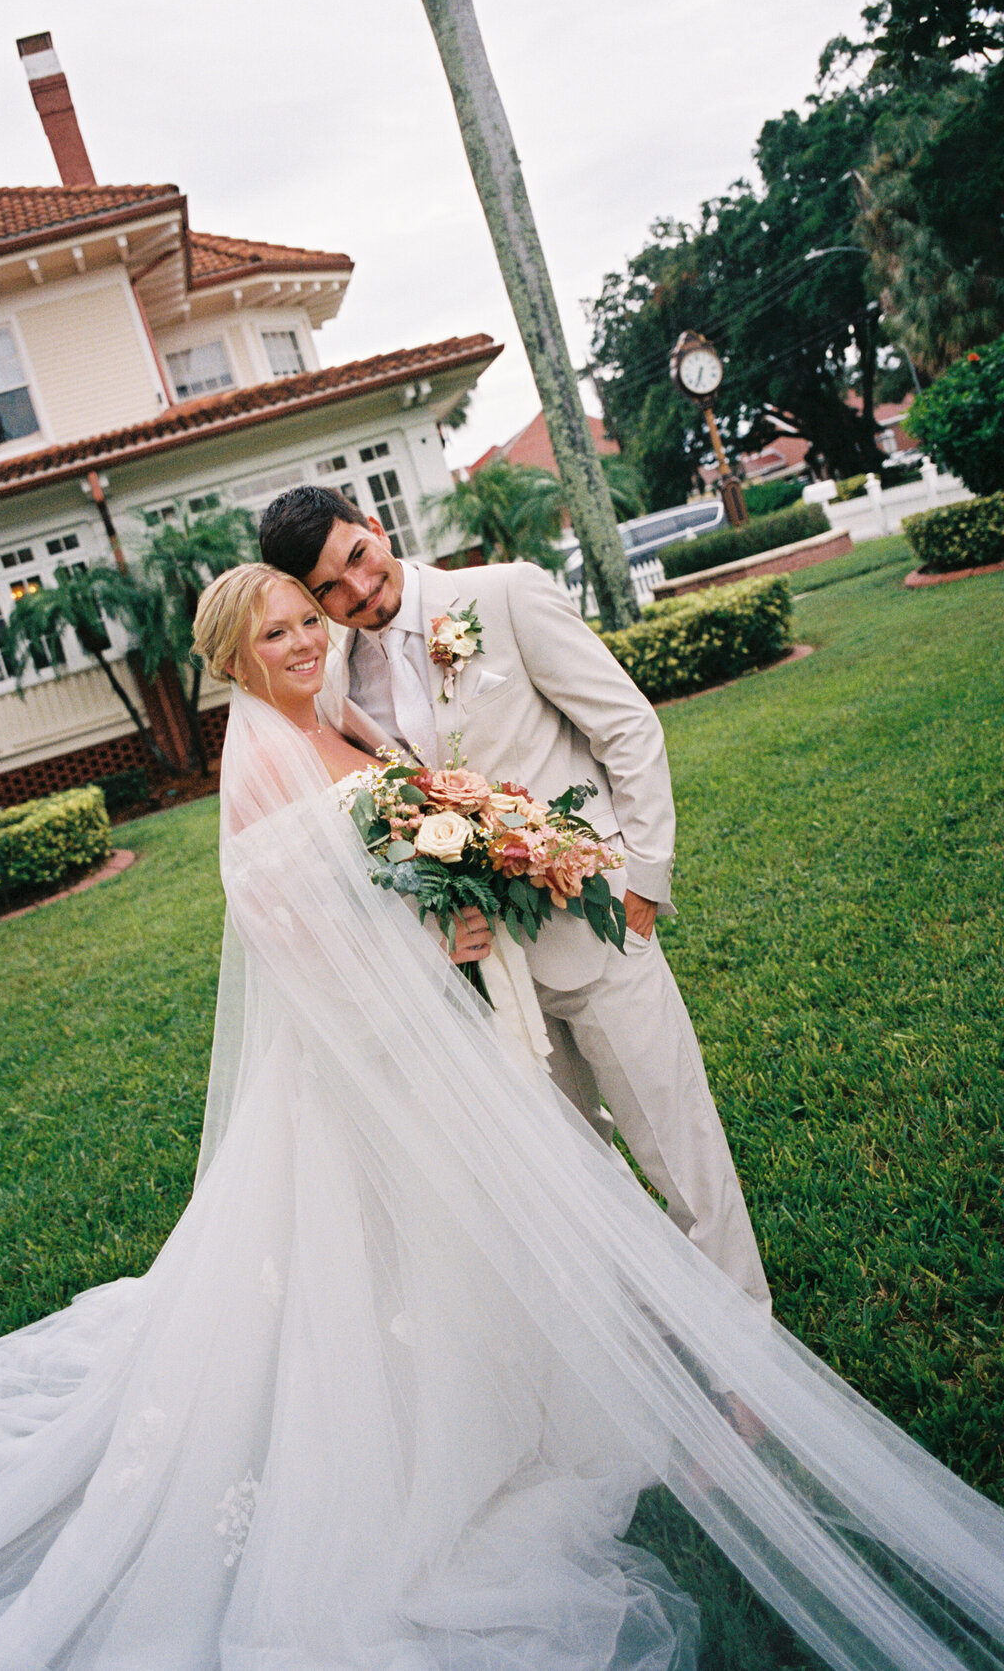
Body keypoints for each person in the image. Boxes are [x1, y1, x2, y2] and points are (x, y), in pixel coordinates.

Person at [0, 562, 1001, 1671]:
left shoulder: (343, 718)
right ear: (234, 654)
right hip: (370, 1057)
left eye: (309, 620)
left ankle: (542, 1394)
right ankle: (429, 1453)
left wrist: (464, 890)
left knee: (486, 1223)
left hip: (444, 1029)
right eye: (277, 631)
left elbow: (399, 836)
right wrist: (434, 944)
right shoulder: (262, 758)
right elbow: (281, 928)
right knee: (388, 1260)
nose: (304, 640)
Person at [258, 486, 770, 1308]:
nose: (355, 590)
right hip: (489, 975)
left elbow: (626, 727)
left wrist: (643, 882)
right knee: (574, 1173)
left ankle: (749, 1357)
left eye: (356, 556)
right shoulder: (336, 685)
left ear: (377, 530)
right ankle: (647, 1348)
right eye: (328, 588)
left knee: (680, 1150)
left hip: (599, 929)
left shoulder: (503, 594)